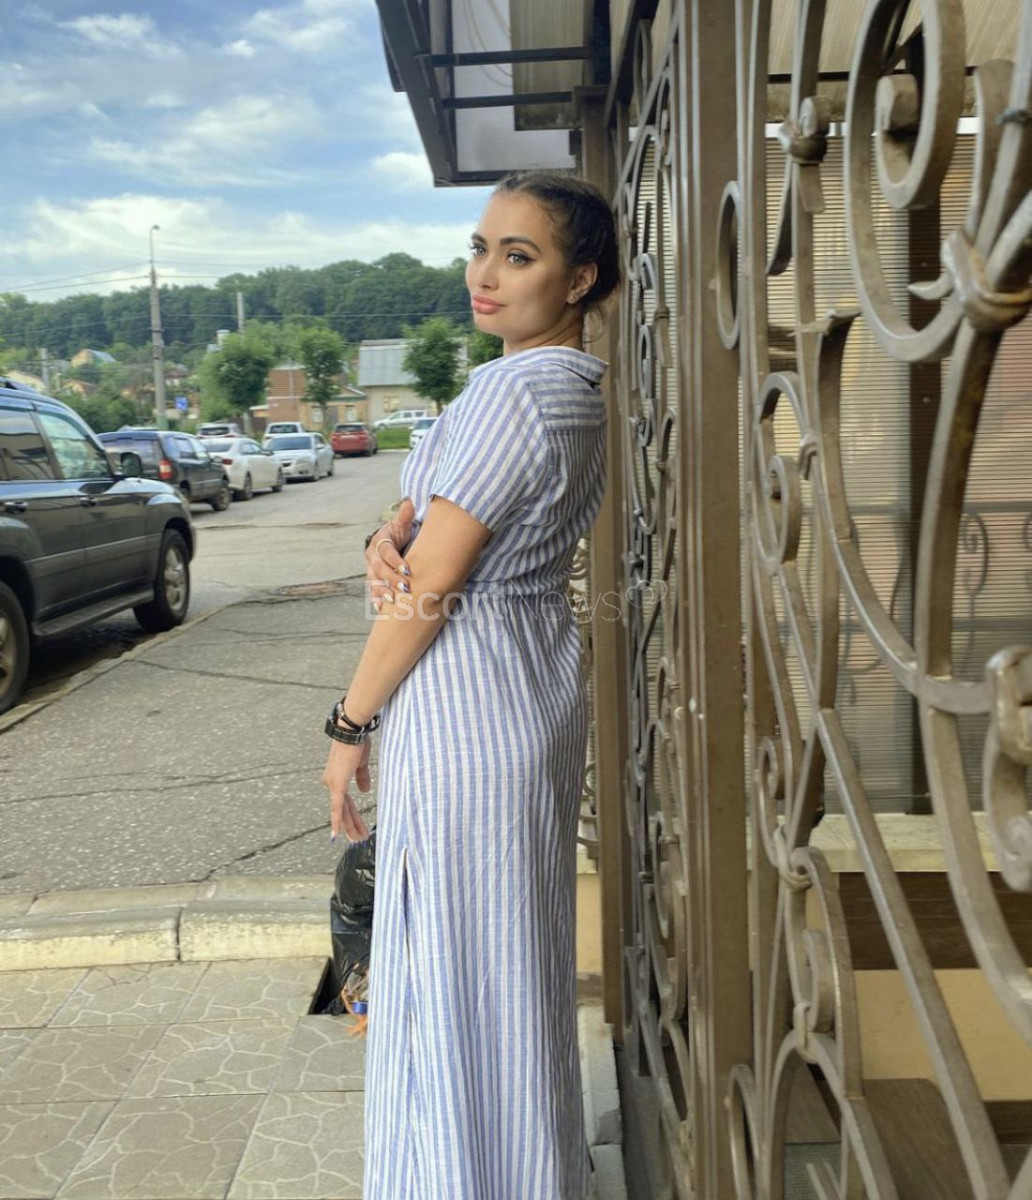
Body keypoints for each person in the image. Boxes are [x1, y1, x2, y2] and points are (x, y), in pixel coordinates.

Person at [321, 170, 620, 1199]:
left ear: (579, 280)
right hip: (525, 688)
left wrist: (348, 724)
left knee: (450, 983)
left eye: (519, 255)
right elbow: (438, 533)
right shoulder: (569, 391)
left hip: (469, 709)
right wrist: (391, 528)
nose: (484, 274)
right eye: (480, 248)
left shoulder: (513, 393)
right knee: (505, 972)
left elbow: (434, 587)